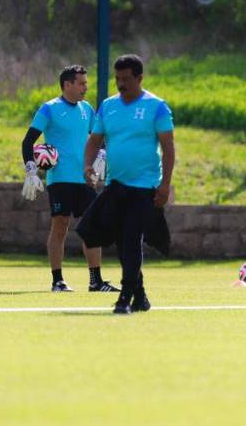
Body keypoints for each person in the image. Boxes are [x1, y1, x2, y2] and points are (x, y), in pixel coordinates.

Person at [83, 55, 174, 314]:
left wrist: (165, 185)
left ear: (139, 78)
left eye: (126, 79)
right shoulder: (108, 106)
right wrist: (87, 165)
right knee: (120, 242)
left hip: (145, 186)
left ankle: (125, 296)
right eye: (118, 79)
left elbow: (168, 148)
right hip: (115, 184)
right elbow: (94, 140)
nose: (121, 84)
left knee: (132, 238)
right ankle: (140, 296)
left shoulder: (156, 107)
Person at [21, 65, 118, 293]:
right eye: (81, 83)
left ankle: (96, 281)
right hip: (60, 179)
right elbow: (28, 142)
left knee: (92, 227)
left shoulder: (87, 109)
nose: (85, 87)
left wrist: (102, 154)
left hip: (85, 179)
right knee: (60, 226)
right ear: (67, 85)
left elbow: (99, 138)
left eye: (86, 83)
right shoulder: (49, 109)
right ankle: (58, 281)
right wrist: (31, 169)